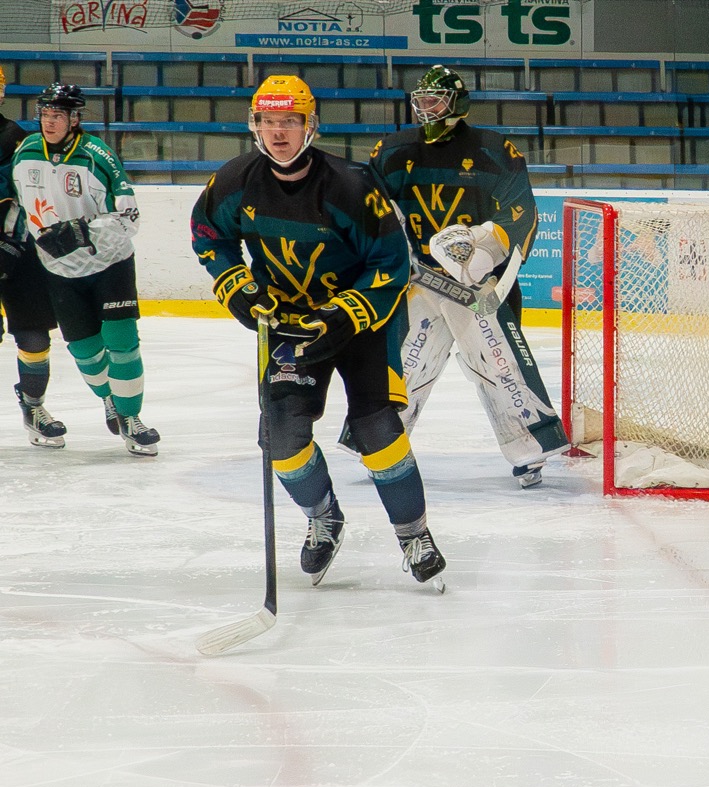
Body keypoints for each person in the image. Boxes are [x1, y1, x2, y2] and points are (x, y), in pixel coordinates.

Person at [190, 75, 446, 590]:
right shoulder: (236, 180)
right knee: (282, 436)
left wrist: (348, 312)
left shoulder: (351, 185)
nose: (278, 132)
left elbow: (392, 263)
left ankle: (414, 534)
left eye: (289, 121)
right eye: (268, 121)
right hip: (289, 324)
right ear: (254, 126)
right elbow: (208, 234)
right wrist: (235, 283)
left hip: (361, 324)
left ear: (311, 126)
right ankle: (324, 517)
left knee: (377, 430)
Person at [366, 65, 565, 489]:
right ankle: (381, 444)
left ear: (457, 104)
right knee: (407, 364)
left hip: (477, 284)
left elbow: (521, 213)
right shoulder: (392, 150)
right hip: (418, 279)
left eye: (435, 100)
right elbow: (371, 209)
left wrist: (484, 247)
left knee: (498, 365)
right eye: (421, 100)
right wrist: (392, 260)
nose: (426, 108)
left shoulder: (494, 150)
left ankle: (531, 447)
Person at [6, 84, 154, 454]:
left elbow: (130, 216)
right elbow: (18, 203)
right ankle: (110, 401)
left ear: (74, 119)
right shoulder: (25, 152)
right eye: (45, 114)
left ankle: (131, 419)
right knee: (86, 352)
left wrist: (82, 231)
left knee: (122, 342)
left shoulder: (97, 156)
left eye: (57, 115)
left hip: (110, 264)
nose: (49, 122)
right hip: (58, 270)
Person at [0, 68, 65, 447]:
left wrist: (10, 242)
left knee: (34, 334)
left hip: (17, 249)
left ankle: (34, 406)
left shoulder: (16, 138)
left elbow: (28, 196)